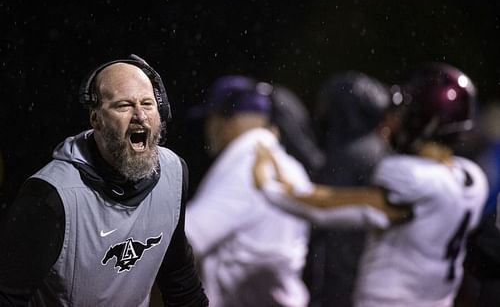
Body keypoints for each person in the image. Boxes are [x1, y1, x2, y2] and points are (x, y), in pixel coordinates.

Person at [253, 62, 488, 307]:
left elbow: (325, 207)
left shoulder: (413, 177)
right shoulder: (472, 178)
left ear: (424, 120)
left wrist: (268, 186)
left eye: (404, 113)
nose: (393, 121)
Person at [0, 54, 208, 306]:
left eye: (148, 104)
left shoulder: (174, 173)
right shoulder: (49, 198)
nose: (140, 115)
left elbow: (179, 276)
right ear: (95, 119)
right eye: (124, 105)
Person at [185, 75, 312, 307]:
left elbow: (186, 240)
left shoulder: (244, 167)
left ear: (225, 122)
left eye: (210, 119)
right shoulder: (292, 167)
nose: (207, 129)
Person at [305, 71, 391, 307]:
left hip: (344, 278)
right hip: (372, 272)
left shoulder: (350, 154)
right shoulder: (380, 148)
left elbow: (327, 217)